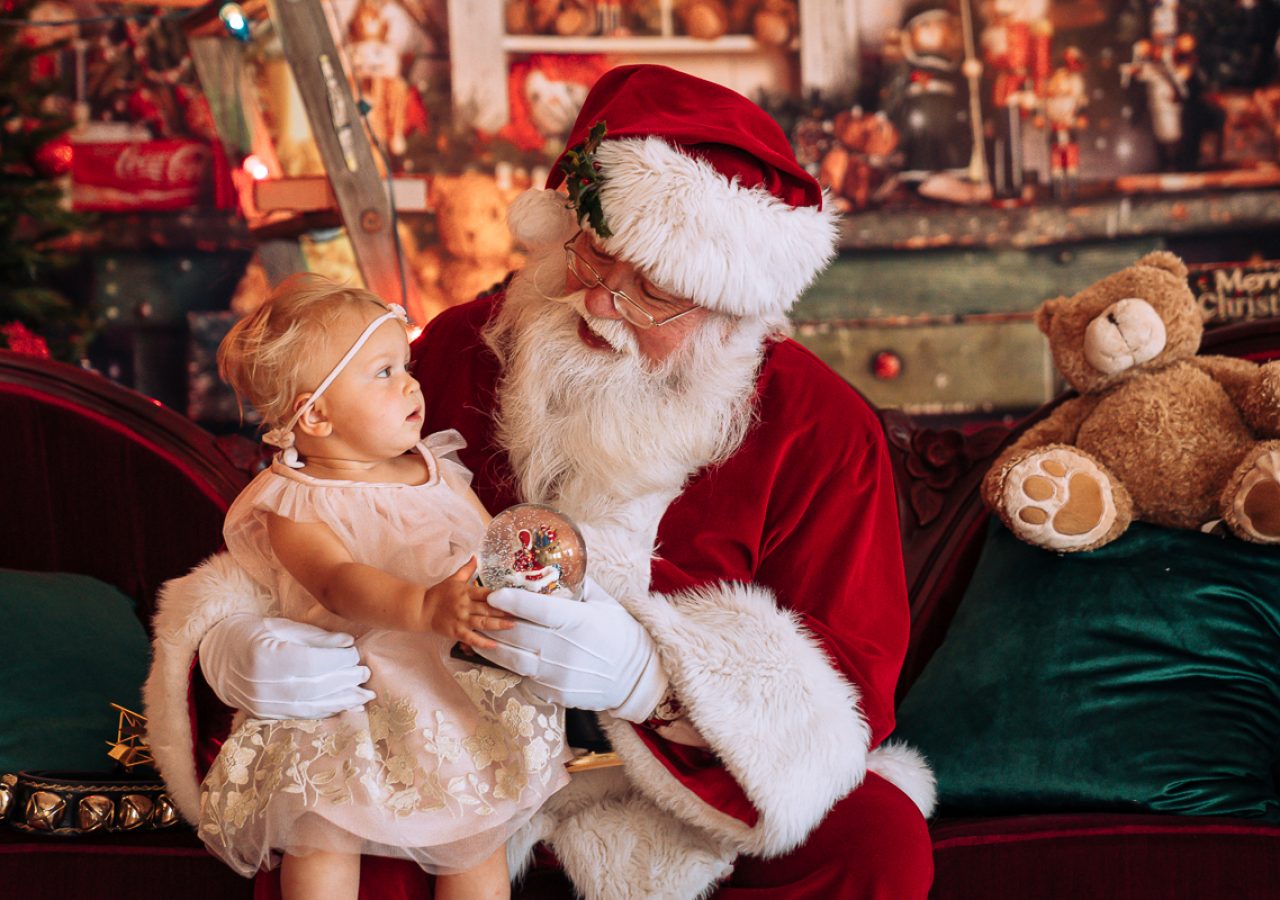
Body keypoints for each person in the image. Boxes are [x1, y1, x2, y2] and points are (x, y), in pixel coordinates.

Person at [145, 64, 936, 899]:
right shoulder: (456, 349)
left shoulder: (823, 428)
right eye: (591, 257)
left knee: (875, 842)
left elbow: (852, 691)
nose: (600, 304)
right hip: (440, 746)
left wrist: (650, 679)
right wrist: (232, 651)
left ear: (730, 307)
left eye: (653, 293)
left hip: (670, 793)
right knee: (334, 834)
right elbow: (313, 510)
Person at [179, 274, 571, 899]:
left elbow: (479, 545)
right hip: (348, 697)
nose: (411, 383)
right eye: (383, 373)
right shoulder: (295, 500)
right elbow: (337, 581)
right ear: (317, 414)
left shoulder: (436, 468)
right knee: (324, 834)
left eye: (405, 364)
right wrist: (420, 603)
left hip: (446, 687)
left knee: (475, 835)